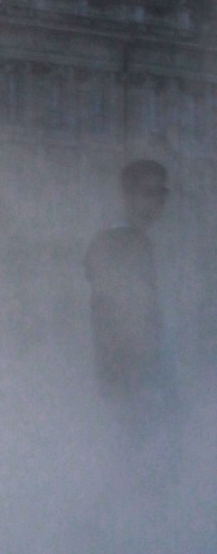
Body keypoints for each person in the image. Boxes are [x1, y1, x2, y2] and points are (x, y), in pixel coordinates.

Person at [84, 158, 175, 442]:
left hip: (129, 378)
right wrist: (144, 382)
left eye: (161, 192)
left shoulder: (125, 240)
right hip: (131, 380)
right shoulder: (125, 243)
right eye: (148, 192)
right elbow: (124, 316)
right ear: (128, 196)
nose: (156, 201)